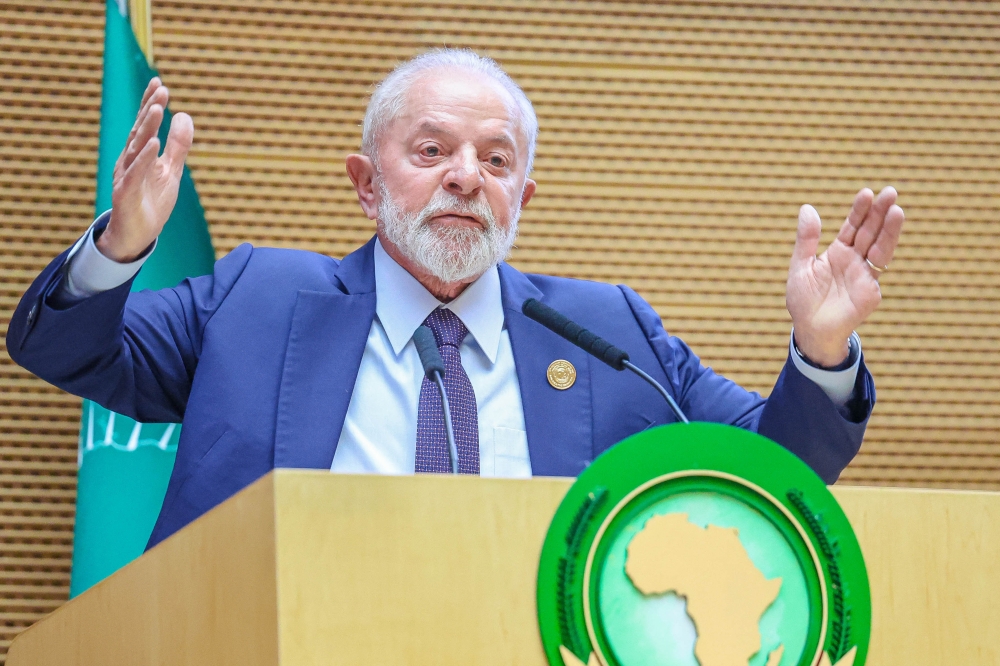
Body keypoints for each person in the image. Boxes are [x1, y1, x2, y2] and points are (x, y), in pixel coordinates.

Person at [8, 50, 904, 549]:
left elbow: (772, 466)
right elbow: (66, 351)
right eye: (431, 151)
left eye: (497, 160)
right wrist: (120, 247)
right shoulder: (256, 298)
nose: (467, 178)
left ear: (524, 198)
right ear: (366, 184)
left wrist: (822, 349)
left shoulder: (606, 330)